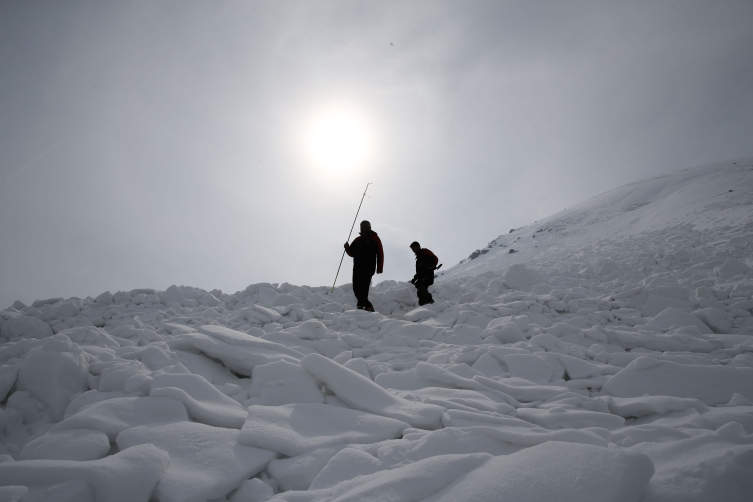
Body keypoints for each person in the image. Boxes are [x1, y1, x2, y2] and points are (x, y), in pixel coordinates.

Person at [344, 220, 384, 311]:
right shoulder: (357, 240)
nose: (363, 229)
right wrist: (347, 249)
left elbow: (380, 253)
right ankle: (361, 304)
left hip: (368, 267)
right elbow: (352, 253)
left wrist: (380, 267)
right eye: (362, 227)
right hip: (357, 267)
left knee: (364, 288)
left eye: (365, 227)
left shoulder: (375, 238)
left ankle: (367, 306)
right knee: (356, 288)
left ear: (370, 228)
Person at [409, 241, 439, 306]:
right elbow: (419, 272)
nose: (413, 250)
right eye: (412, 249)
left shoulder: (425, 252)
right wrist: (414, 279)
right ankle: (424, 306)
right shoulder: (419, 258)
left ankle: (431, 302)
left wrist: (433, 266)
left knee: (420, 286)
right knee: (419, 290)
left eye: (414, 248)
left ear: (418, 246)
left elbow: (435, 258)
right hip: (422, 276)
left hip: (428, 273)